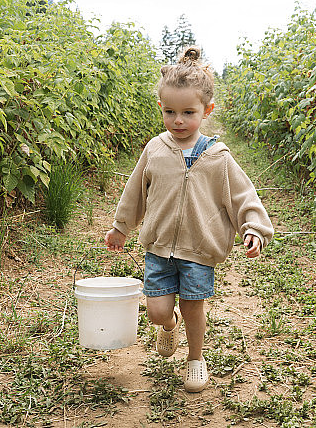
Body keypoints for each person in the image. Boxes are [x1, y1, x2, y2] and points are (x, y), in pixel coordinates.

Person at [104, 45, 273, 393]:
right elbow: (135, 190)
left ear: (207, 110)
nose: (177, 120)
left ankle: (195, 357)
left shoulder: (217, 158)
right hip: (159, 247)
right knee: (156, 310)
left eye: (188, 112)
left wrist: (253, 228)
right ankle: (169, 326)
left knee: (194, 307)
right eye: (169, 112)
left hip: (198, 248)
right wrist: (121, 226)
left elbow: (243, 196)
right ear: (161, 108)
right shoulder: (155, 149)